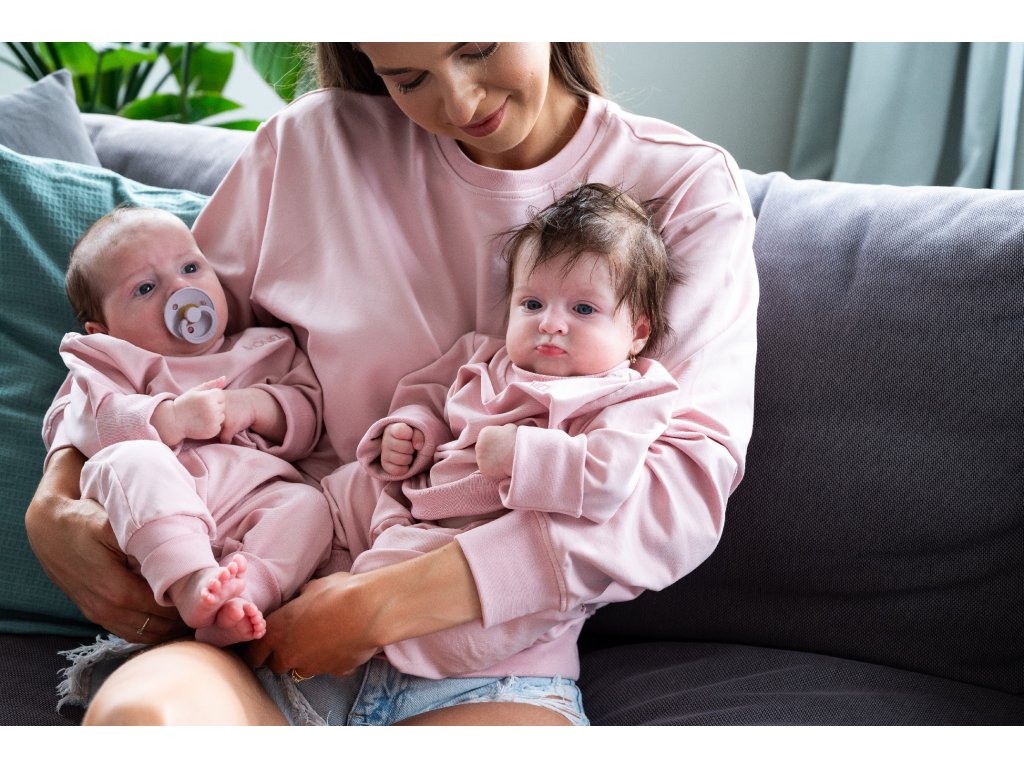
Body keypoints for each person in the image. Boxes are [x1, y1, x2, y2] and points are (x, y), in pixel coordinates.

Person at [26, 43, 758, 726]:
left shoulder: (681, 187)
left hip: (493, 665)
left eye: (476, 47)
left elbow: (679, 494)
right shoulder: (312, 146)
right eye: (407, 79)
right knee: (140, 726)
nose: (460, 102)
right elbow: (153, 342)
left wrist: (378, 606)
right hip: (260, 620)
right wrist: (55, 499)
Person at [54, 206, 333, 647]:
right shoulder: (107, 363)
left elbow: (309, 417)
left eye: (189, 268)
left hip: (250, 499)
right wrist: (168, 418)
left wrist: (253, 405)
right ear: (102, 330)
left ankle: (245, 597)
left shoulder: (264, 347)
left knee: (308, 506)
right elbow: (87, 425)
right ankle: (191, 581)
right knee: (132, 460)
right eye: (145, 288)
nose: (180, 292)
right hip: (154, 520)